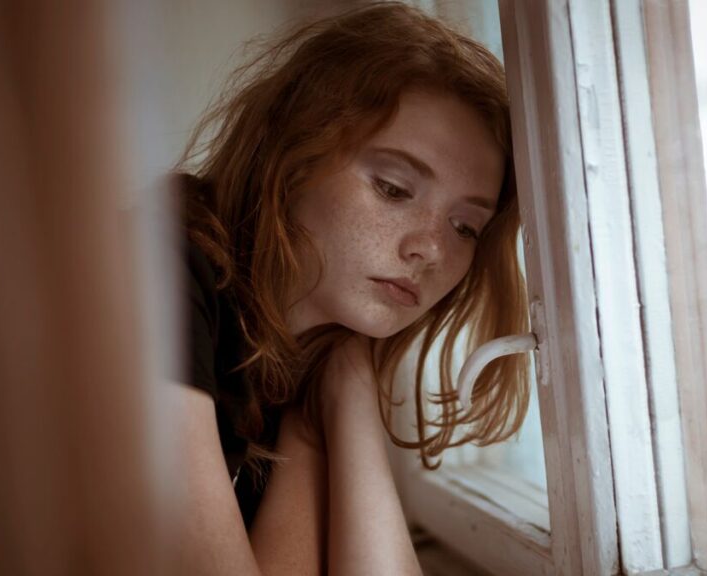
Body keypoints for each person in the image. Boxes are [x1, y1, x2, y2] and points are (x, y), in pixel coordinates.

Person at [169, 3, 530, 574]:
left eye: (465, 227)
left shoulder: (304, 355)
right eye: (392, 188)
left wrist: (350, 389)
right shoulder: (163, 263)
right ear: (290, 156)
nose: (432, 249)